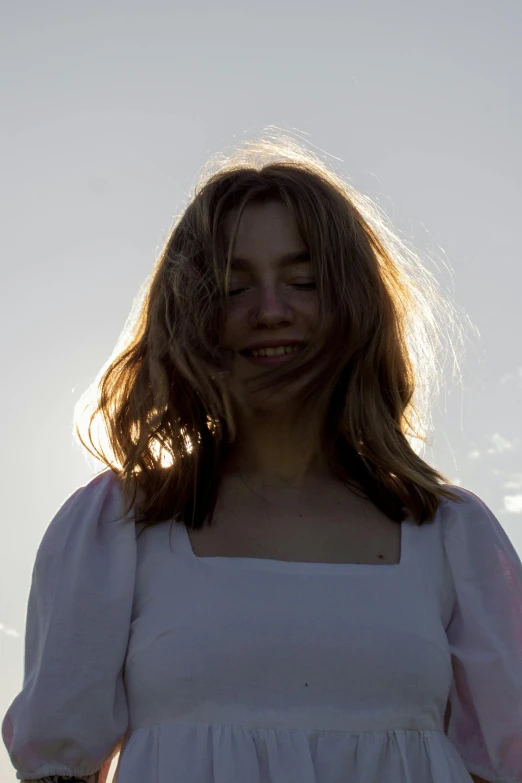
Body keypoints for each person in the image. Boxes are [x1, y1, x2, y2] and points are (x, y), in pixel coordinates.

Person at [2, 132, 521, 783]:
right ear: (192, 316)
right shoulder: (118, 528)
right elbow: (58, 767)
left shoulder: (454, 537)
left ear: (354, 306)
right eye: (232, 287)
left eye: (303, 280)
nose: (271, 311)